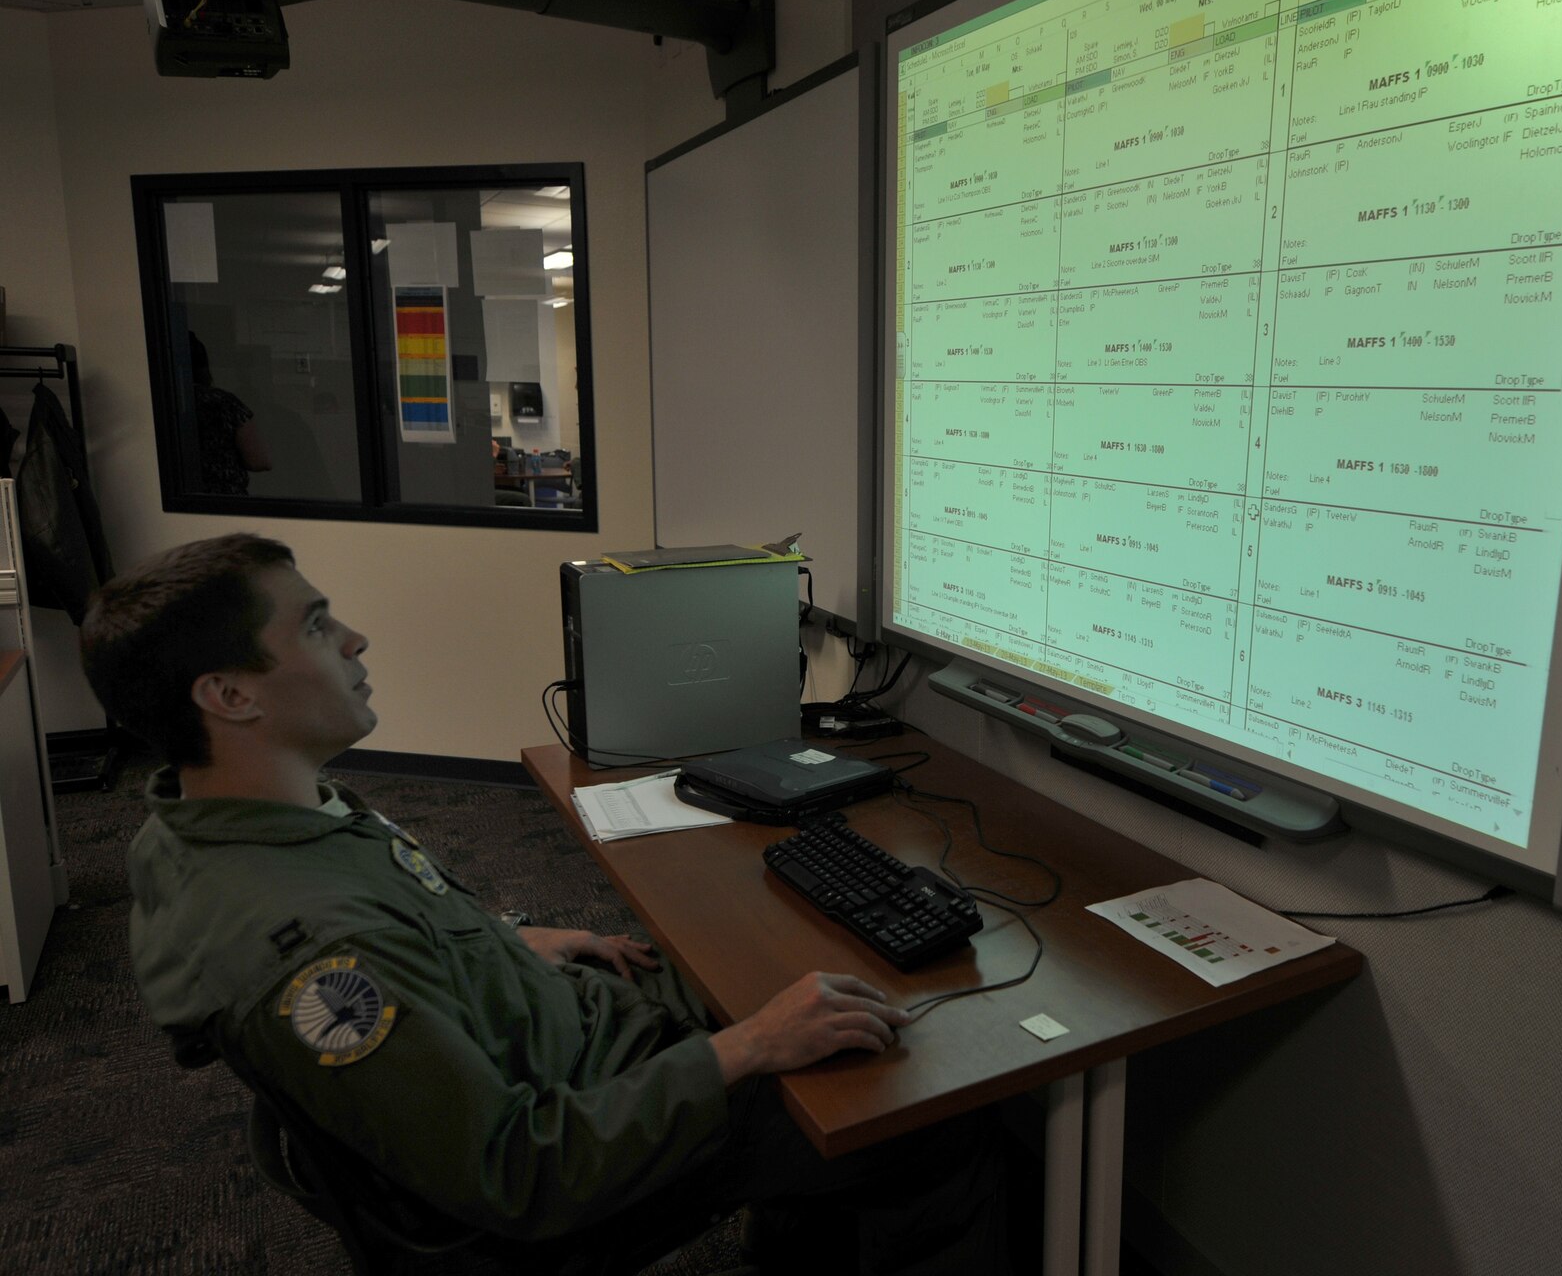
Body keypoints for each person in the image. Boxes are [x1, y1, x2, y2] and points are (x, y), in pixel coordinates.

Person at [81, 533, 1009, 1274]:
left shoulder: (219, 818)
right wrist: (751, 1047)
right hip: (558, 1161)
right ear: (231, 694)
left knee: (758, 967)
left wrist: (507, 941)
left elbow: (401, 909)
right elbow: (520, 1175)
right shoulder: (317, 953)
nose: (356, 641)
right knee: (916, 1110)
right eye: (319, 628)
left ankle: (793, 1206)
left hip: (560, 1041)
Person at [186, 334, 273, 495]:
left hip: (182, 500)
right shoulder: (223, 403)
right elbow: (259, 461)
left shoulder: (164, 404)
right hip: (226, 501)